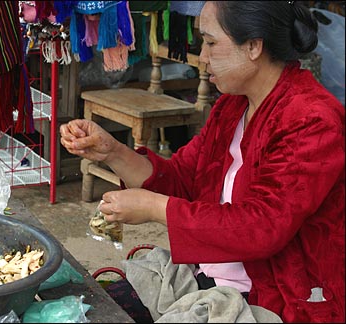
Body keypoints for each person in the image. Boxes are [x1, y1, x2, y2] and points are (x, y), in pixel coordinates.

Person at [60, 1, 345, 323]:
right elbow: (183, 178)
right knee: (89, 310)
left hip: (277, 295)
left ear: (253, 46)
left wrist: (155, 208)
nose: (203, 57)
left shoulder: (312, 118)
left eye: (210, 43)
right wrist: (112, 152)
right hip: (211, 274)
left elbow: (262, 227)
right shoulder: (233, 106)